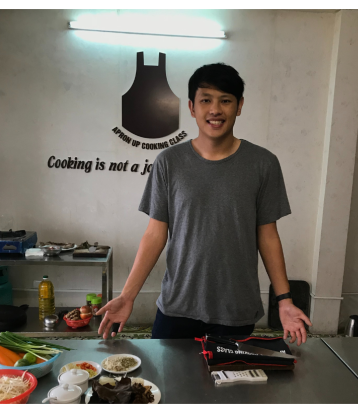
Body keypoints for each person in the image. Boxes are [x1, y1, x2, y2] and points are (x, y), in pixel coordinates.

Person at [97, 63, 312, 343]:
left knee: (229, 386)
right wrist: (127, 296)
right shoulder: (169, 162)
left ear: (239, 106)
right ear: (191, 107)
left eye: (225, 100)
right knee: (168, 383)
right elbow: (154, 234)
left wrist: (284, 300)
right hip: (178, 304)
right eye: (206, 100)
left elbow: (267, 235)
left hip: (235, 308)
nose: (215, 109)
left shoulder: (263, 164)